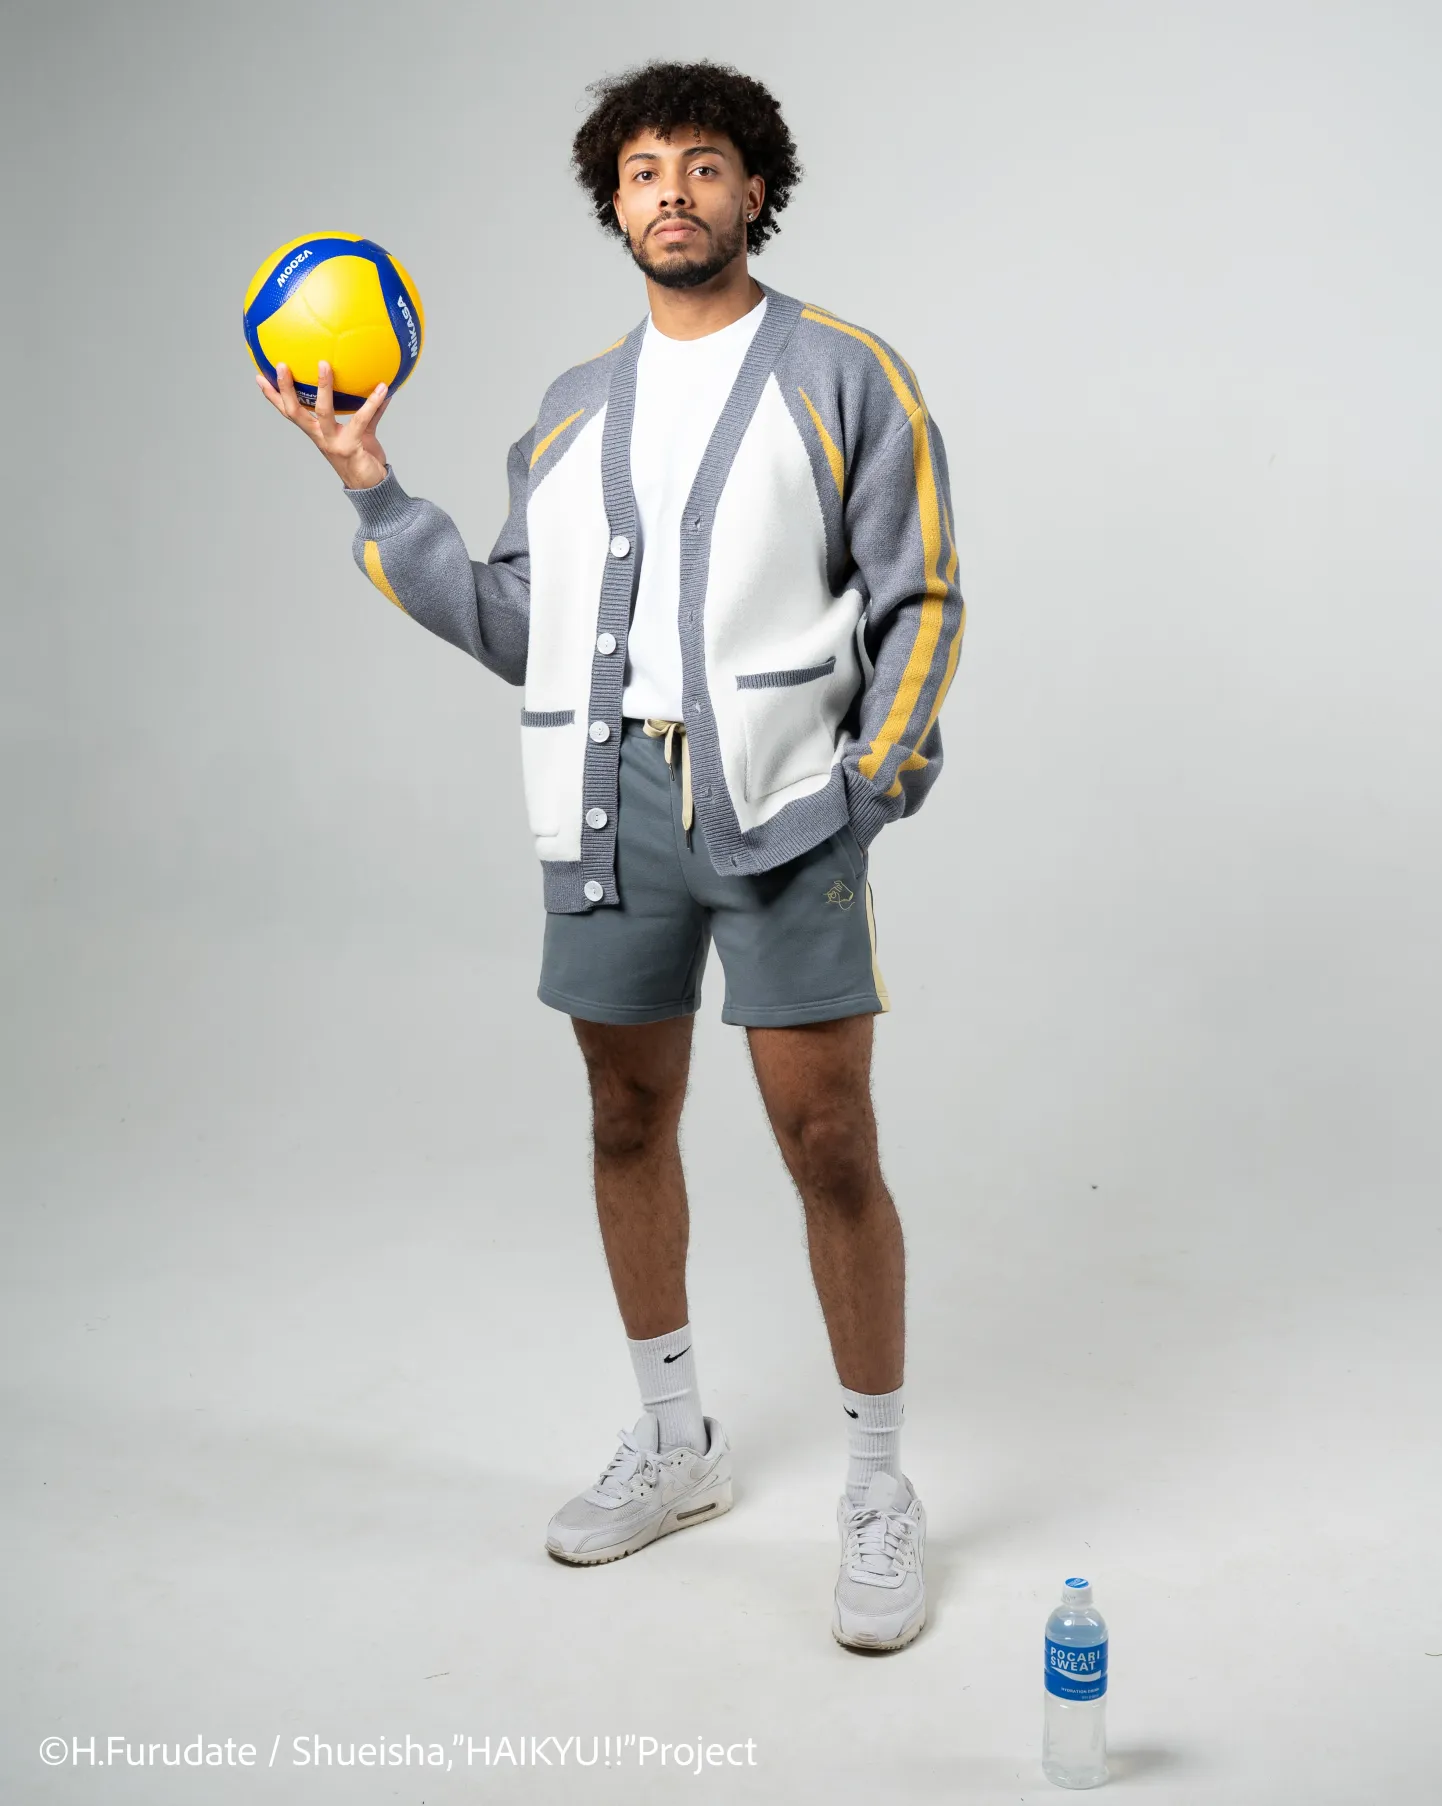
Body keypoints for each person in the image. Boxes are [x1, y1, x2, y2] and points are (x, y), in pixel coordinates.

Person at [255, 58, 964, 1653]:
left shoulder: (845, 373)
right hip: (604, 801)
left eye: (702, 165)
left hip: (786, 804)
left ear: (754, 191)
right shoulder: (573, 407)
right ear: (614, 204)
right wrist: (375, 489)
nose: (672, 193)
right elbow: (523, 623)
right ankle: (674, 1439)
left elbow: (921, 596)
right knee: (626, 1113)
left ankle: (877, 1484)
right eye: (644, 171)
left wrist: (869, 784)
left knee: (828, 1136)